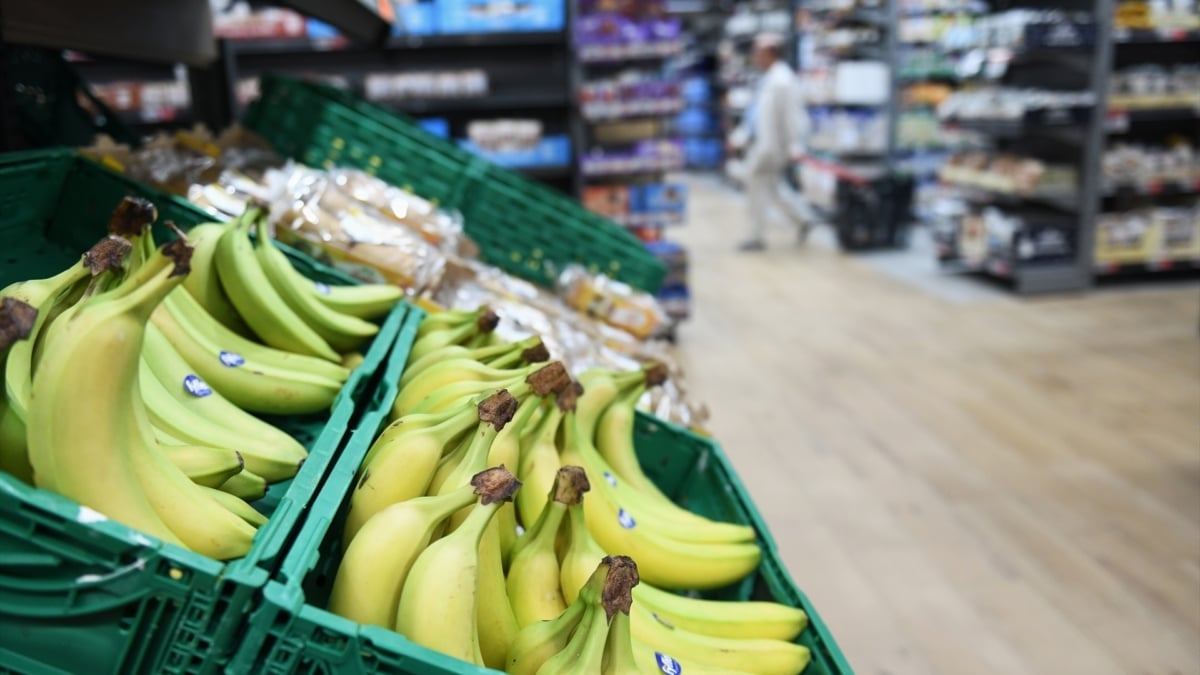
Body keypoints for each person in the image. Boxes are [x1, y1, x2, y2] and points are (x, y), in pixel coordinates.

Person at [728, 32, 812, 252]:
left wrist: (795, 145)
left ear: (770, 53)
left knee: (754, 185)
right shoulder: (769, 79)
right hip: (763, 144)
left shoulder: (783, 80)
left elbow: (793, 117)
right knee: (773, 187)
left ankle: (755, 236)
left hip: (772, 147)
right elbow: (754, 115)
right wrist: (740, 137)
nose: (755, 58)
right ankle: (803, 219)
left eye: (758, 53)